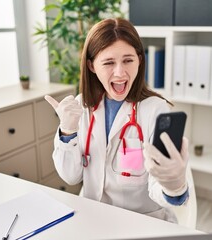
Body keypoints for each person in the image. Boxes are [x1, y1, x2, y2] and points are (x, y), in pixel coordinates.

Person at [45, 18, 190, 223]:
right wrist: (67, 131)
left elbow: (160, 189)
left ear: (140, 60)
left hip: (141, 223)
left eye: (128, 60)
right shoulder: (81, 107)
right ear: (92, 65)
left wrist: (174, 186)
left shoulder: (155, 110)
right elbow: (71, 177)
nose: (120, 73)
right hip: (92, 218)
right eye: (109, 62)